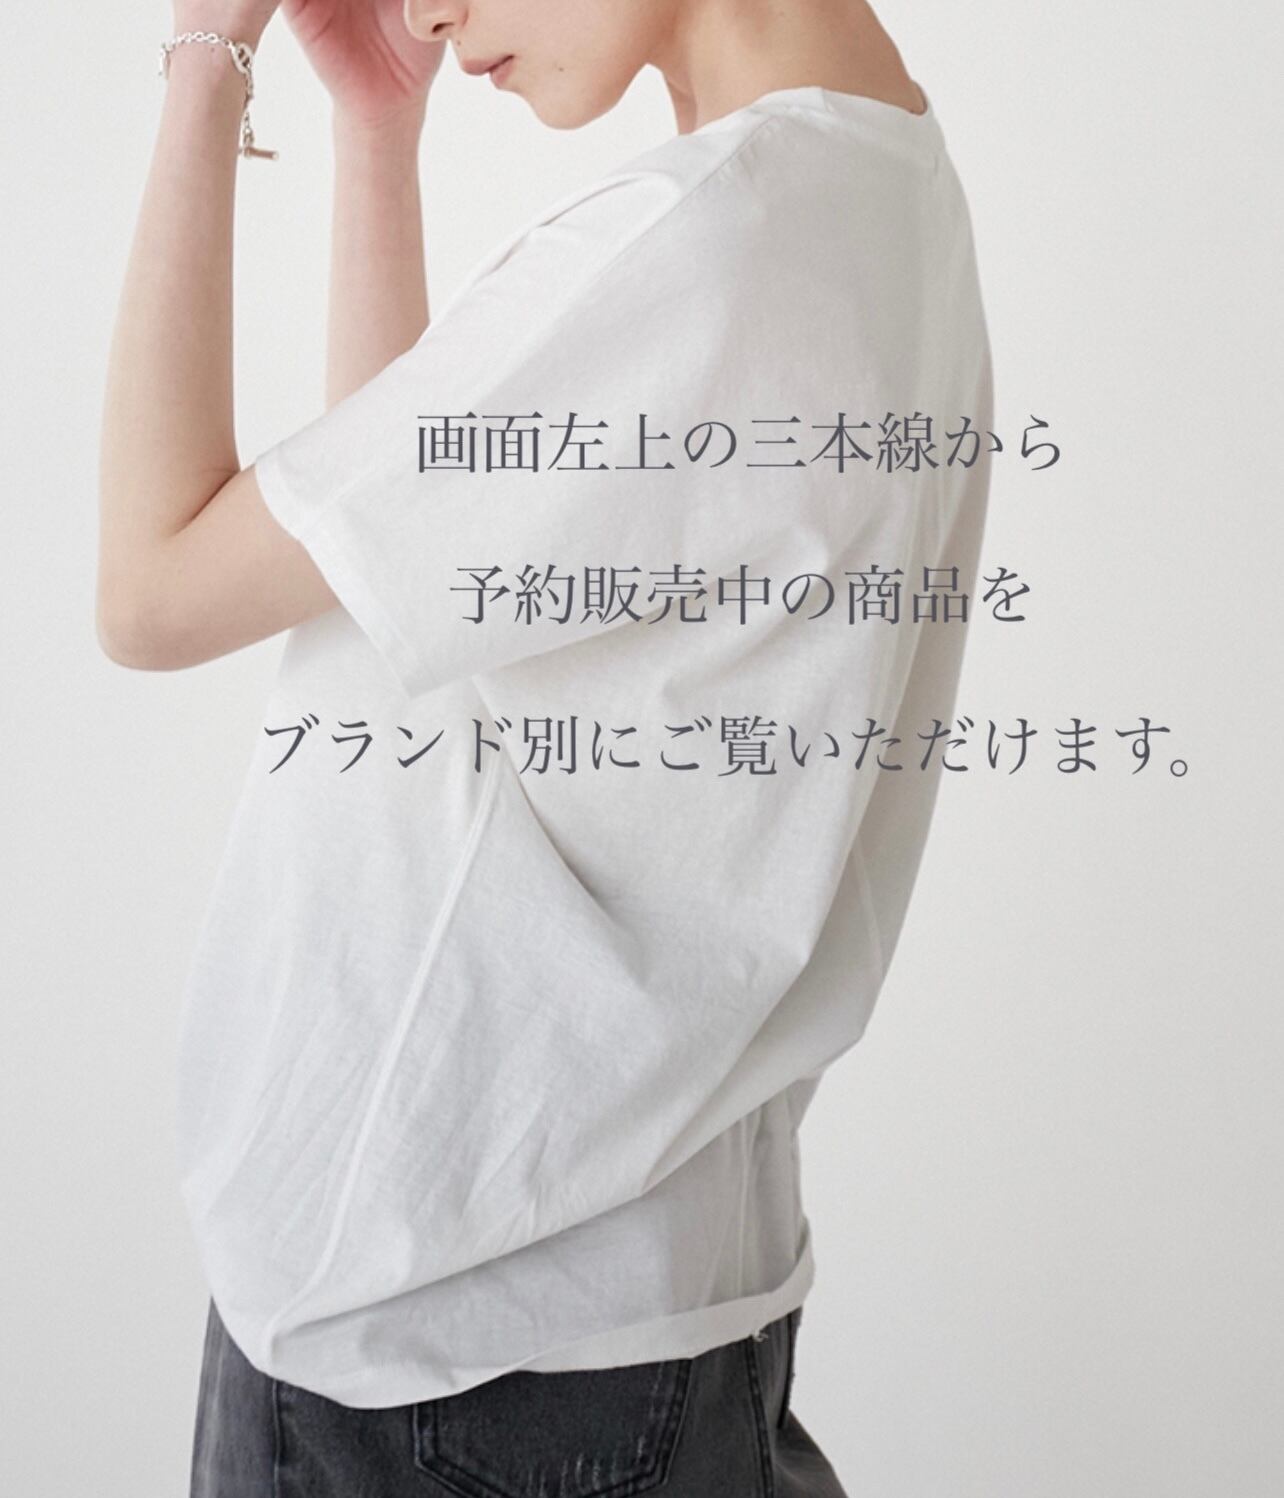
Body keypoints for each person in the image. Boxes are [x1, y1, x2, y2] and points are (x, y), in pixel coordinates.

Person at [96, 0, 993, 1492]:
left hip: (435, 1349)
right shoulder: (874, 188)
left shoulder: (694, 246)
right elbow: (403, 576)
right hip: (629, 1306)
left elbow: (152, 588)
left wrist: (206, 62)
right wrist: (378, 134)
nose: (425, 9)